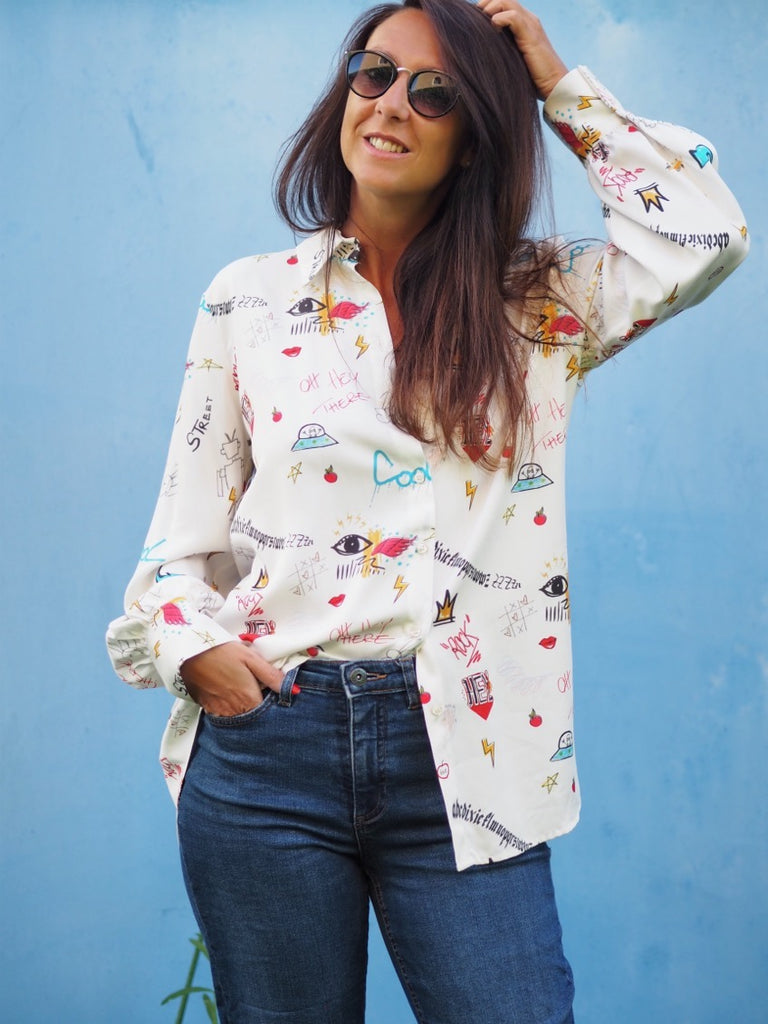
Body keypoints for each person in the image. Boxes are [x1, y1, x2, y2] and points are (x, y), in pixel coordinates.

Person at [106, 1, 748, 1021]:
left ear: (476, 137)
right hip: (272, 751)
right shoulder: (248, 300)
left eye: (435, 91)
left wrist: (558, 88)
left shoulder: (542, 301)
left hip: (470, 757)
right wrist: (200, 657)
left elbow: (703, 237)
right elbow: (177, 554)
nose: (392, 103)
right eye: (374, 73)